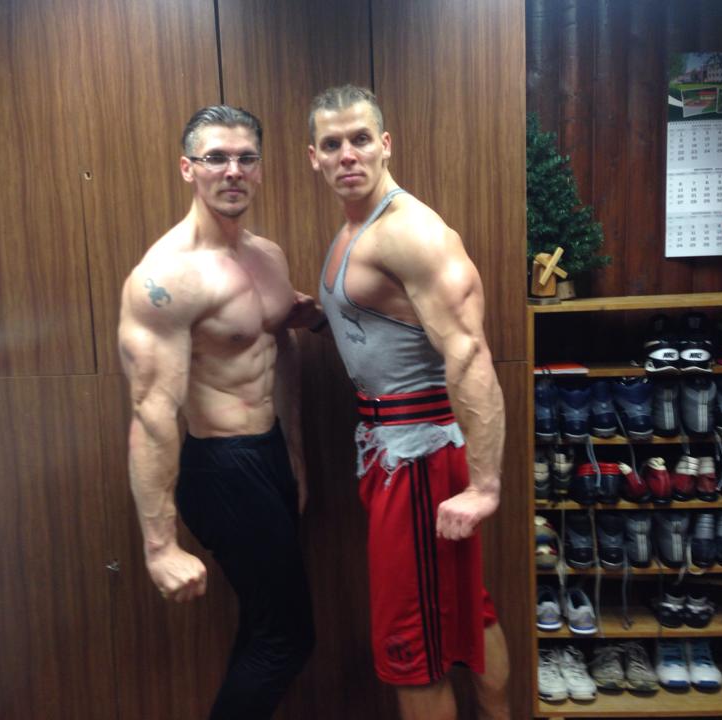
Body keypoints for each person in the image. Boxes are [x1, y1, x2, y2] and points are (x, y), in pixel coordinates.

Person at [306, 85, 510, 720]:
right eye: (332, 144)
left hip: (417, 459)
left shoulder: (409, 232)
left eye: (360, 139)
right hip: (394, 449)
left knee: (409, 642)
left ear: (385, 144)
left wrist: (483, 487)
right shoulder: (356, 227)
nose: (347, 154)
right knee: (465, 612)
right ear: (314, 156)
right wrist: (316, 320)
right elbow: (386, 325)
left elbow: (469, 353)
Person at [117, 105, 314, 720]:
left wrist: (295, 454)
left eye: (246, 158)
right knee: (288, 638)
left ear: (260, 168)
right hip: (221, 468)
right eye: (216, 158)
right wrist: (159, 547)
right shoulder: (165, 278)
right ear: (188, 168)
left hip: (270, 453)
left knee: (264, 626)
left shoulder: (269, 256)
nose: (233, 171)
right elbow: (152, 412)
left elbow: (280, 347)